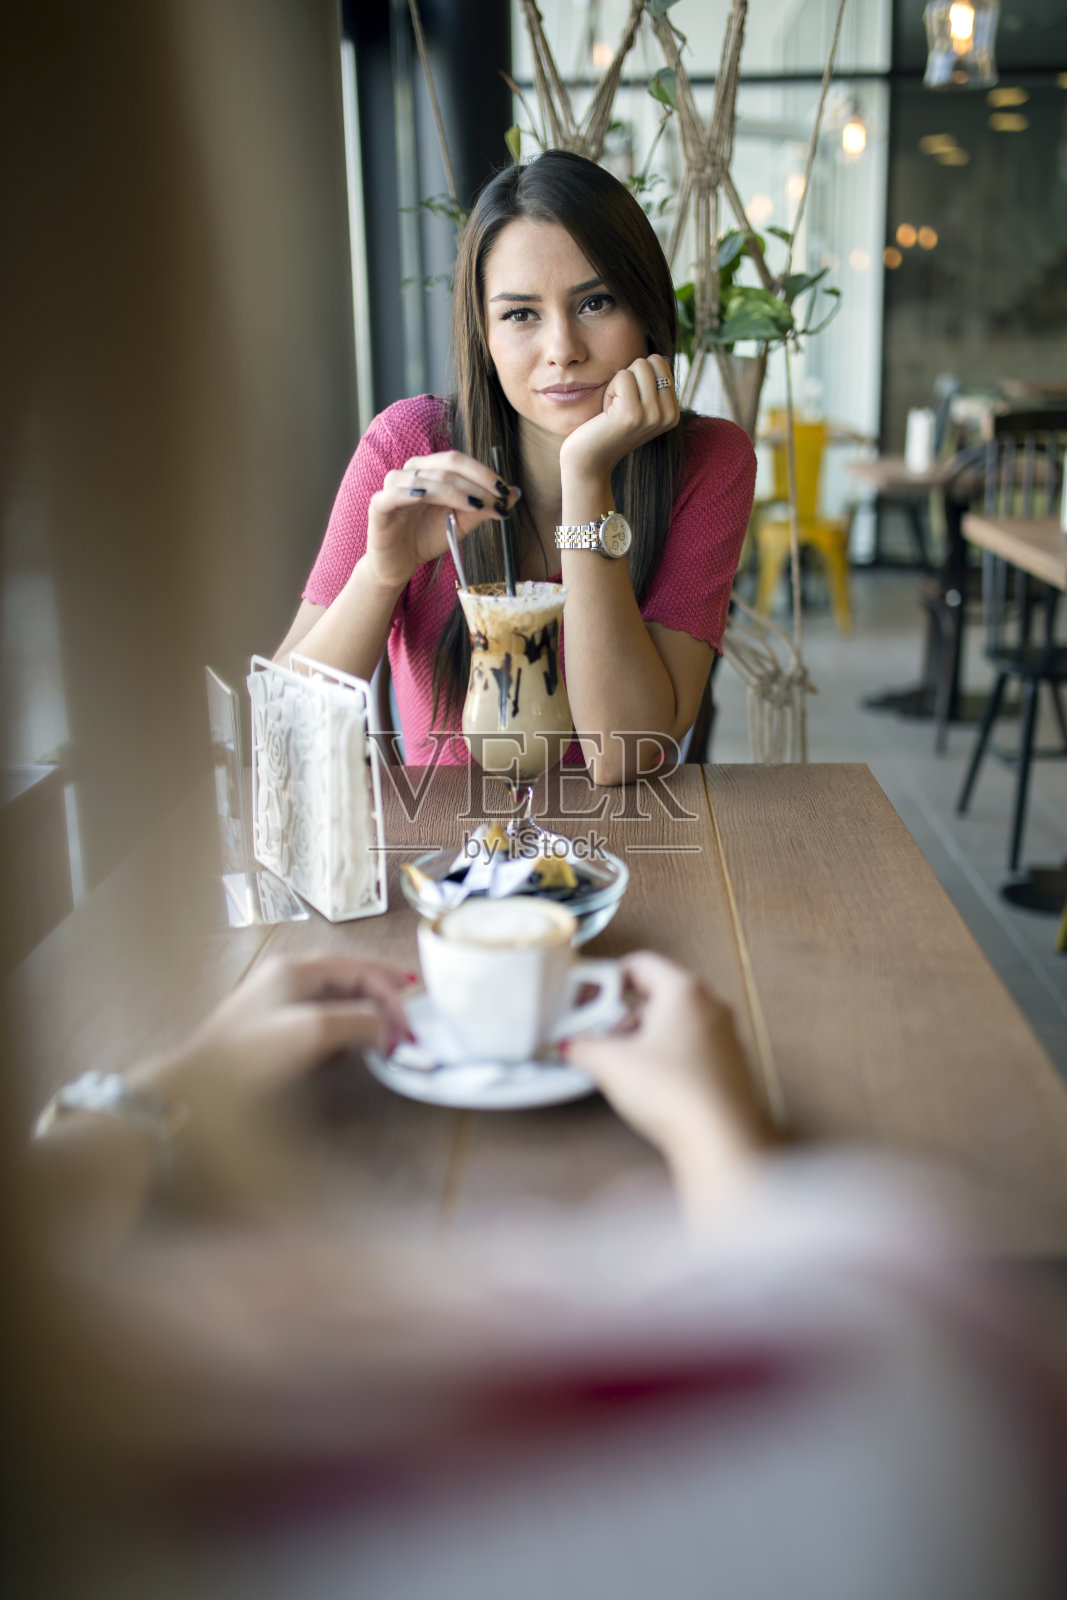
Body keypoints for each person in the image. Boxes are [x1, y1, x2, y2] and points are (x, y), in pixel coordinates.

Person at [27, 951, 1067, 1600]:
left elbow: (628, 748)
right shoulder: (902, 1399)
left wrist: (143, 1102)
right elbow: (859, 1356)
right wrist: (718, 1136)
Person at [275, 151, 756, 785]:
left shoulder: (708, 463)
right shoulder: (410, 445)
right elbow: (285, 724)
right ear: (484, 334)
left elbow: (625, 753)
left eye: (597, 302)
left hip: (626, 852)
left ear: (645, 311)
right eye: (520, 314)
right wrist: (381, 573)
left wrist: (587, 476)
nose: (563, 350)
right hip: (448, 860)